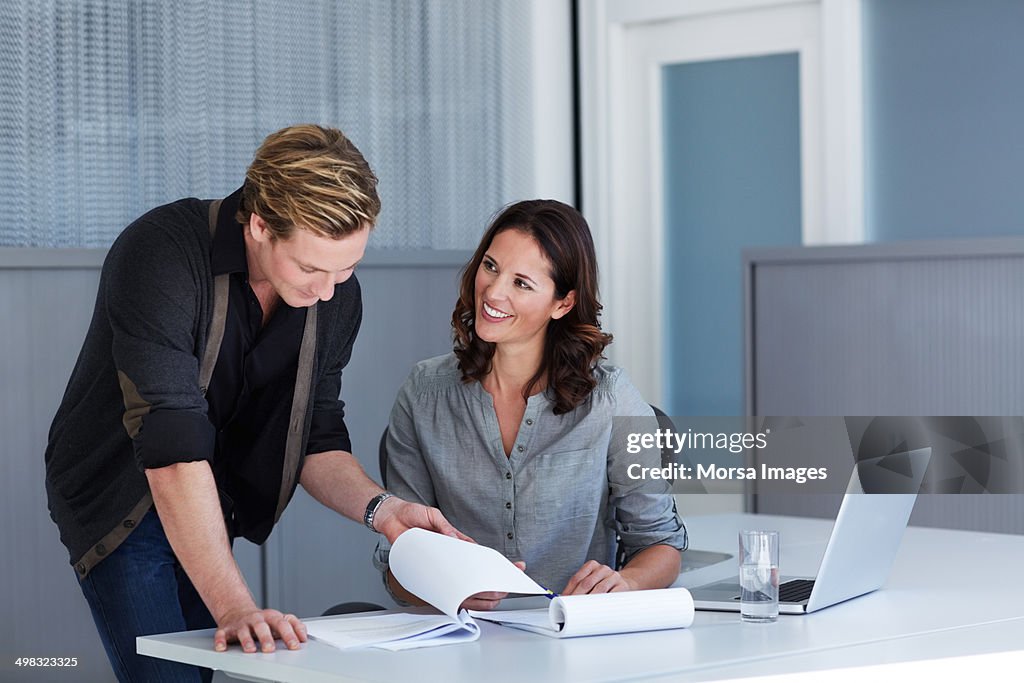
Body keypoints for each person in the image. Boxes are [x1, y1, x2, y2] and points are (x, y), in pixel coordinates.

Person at [45, 124, 464, 682]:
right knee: (167, 676)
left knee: (199, 670)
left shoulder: (335, 296)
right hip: (122, 491)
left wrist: (384, 511)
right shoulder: (162, 254)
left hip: (205, 495)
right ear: (260, 224)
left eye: (347, 267)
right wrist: (236, 605)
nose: (329, 290)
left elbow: (315, 435)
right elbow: (170, 444)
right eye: (311, 268)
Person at [374, 199, 686, 609]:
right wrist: (445, 588)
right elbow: (397, 562)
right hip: (464, 642)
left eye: (522, 283)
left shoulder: (610, 401)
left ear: (563, 303)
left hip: (574, 641)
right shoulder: (423, 393)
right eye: (491, 266)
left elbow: (661, 544)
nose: (494, 291)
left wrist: (624, 583)